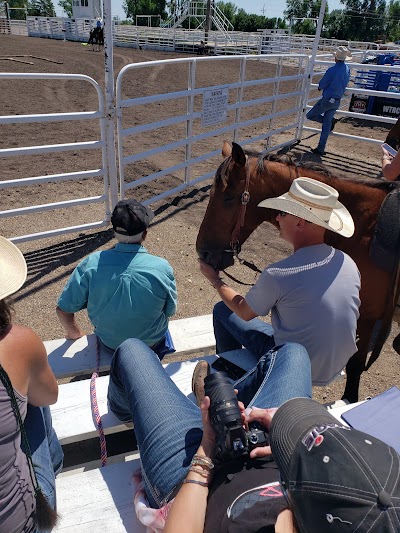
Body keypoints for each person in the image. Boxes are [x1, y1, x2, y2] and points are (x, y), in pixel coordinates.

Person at [107, 336, 313, 531]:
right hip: (277, 452)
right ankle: (214, 403)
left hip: (192, 485)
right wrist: (291, 442)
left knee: (131, 350)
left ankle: (129, 413)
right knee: (293, 352)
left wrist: (207, 448)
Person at [199, 177, 361, 387]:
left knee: (222, 311)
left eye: (283, 213)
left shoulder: (279, 273)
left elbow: (244, 312)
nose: (277, 218)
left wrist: (215, 279)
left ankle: (231, 375)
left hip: (296, 368)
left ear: (300, 222)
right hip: (334, 365)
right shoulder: (347, 262)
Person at [56, 199, 177, 359]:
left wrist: (75, 333)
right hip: (150, 343)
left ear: (114, 232)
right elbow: (170, 310)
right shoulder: (162, 267)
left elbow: (63, 309)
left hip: (110, 344)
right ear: (145, 234)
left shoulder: (91, 264)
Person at [0, 236, 63, 533]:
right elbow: (50, 396)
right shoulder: (17, 343)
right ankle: (55, 461)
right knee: (34, 400)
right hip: (22, 523)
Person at [306, 46, 352, 156]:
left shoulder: (332, 70)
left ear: (336, 57)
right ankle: (321, 148)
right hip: (337, 100)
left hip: (327, 99)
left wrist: (320, 87)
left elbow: (322, 84)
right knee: (326, 124)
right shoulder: (347, 69)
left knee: (310, 115)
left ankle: (322, 146)